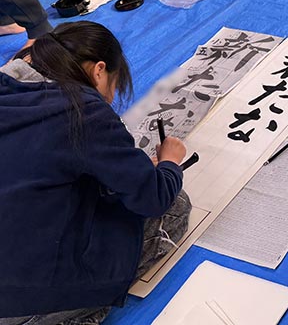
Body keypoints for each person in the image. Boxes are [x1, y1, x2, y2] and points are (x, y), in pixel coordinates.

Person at [0, 22, 191, 324]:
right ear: (99, 70)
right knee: (175, 207)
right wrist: (170, 163)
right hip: (22, 298)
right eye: (114, 85)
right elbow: (153, 198)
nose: (111, 98)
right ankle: (75, 312)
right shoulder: (82, 110)